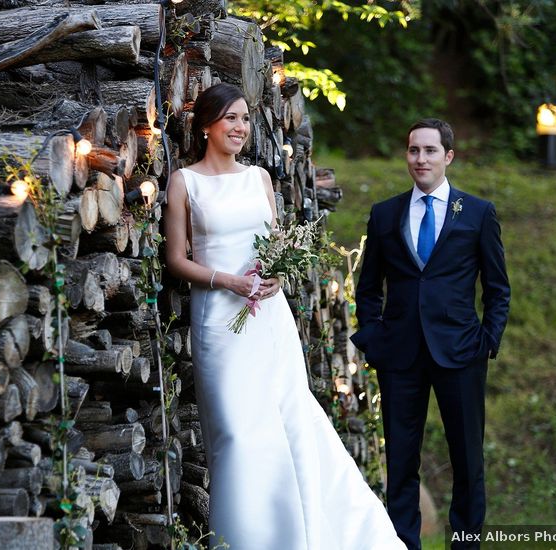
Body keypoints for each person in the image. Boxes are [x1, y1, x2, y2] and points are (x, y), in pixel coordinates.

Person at [165, 82, 404, 550]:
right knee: (236, 431)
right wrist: (228, 281)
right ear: (207, 125)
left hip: (268, 318)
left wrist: (274, 276)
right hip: (218, 317)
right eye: (231, 118)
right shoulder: (184, 182)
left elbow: (272, 244)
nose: (241, 128)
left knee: (288, 418)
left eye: (246, 119)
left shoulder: (259, 179)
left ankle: (307, 533)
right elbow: (177, 259)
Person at [351, 119, 510, 550]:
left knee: (467, 461)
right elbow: (368, 288)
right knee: (401, 460)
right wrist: (373, 335)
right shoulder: (386, 214)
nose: (420, 159)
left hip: (460, 353)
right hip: (399, 356)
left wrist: (487, 341)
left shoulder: (477, 213)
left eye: (430, 151)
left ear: (448, 157)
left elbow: (497, 289)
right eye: (413, 150)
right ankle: (404, 544)